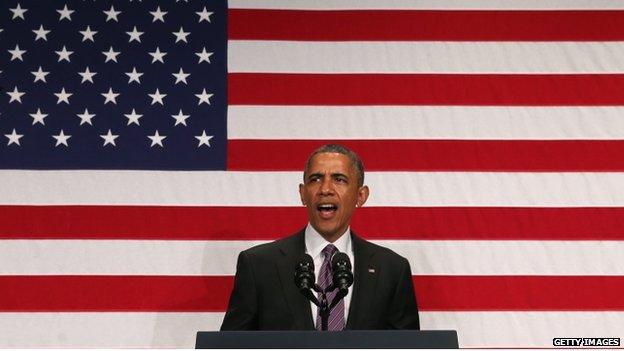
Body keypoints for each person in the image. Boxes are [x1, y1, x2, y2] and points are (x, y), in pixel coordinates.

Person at [220, 144, 419, 330]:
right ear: (303, 193)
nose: (325, 189)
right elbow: (229, 347)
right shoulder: (258, 265)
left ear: (361, 196)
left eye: (339, 179)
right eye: (315, 179)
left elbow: (409, 347)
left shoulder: (392, 269)